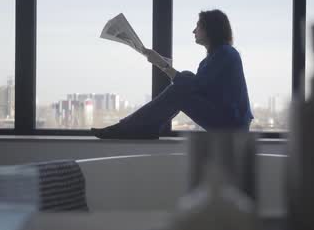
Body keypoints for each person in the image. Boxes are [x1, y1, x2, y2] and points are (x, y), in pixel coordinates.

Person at [92, 9, 253, 139]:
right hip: (229, 122)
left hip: (232, 126)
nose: (193, 31)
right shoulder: (215, 57)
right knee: (187, 76)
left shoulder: (225, 54)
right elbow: (197, 86)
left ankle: (128, 127)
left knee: (181, 88)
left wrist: (162, 64)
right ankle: (143, 127)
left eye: (198, 26)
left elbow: (193, 87)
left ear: (210, 29)